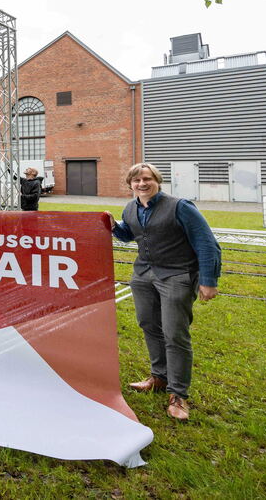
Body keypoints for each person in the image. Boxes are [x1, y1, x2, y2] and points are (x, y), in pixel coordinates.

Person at [108, 163, 220, 421]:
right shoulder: (131, 207)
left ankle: (178, 393)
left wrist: (208, 279)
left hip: (177, 275)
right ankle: (159, 377)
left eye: (147, 179)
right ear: (130, 185)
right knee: (148, 325)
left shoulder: (180, 206)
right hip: (143, 275)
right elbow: (130, 235)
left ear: (157, 181)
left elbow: (206, 243)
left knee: (174, 333)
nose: (142, 184)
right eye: (136, 181)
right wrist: (114, 225)